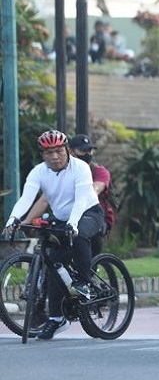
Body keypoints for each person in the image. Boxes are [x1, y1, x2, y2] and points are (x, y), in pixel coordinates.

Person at [3, 130, 105, 340]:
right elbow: (26, 198)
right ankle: (57, 318)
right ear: (43, 154)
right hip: (61, 219)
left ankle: (84, 283)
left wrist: (73, 224)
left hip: (87, 213)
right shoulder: (39, 172)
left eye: (58, 151)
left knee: (78, 235)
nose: (54, 156)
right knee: (52, 263)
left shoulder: (80, 168)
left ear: (66, 150)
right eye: (48, 153)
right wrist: (13, 219)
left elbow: (80, 200)